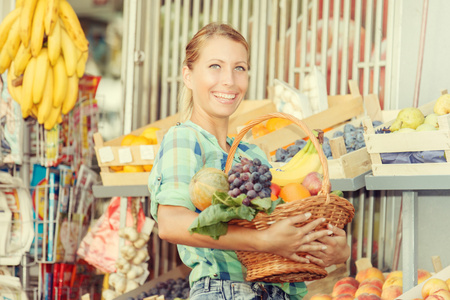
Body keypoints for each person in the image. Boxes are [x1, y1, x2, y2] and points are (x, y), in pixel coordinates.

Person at [148, 22, 350, 300]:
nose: (229, 80)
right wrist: (262, 241)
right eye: (215, 66)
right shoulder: (184, 138)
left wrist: (332, 249)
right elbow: (171, 223)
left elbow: (277, 227)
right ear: (188, 75)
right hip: (225, 290)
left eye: (239, 68)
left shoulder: (251, 154)